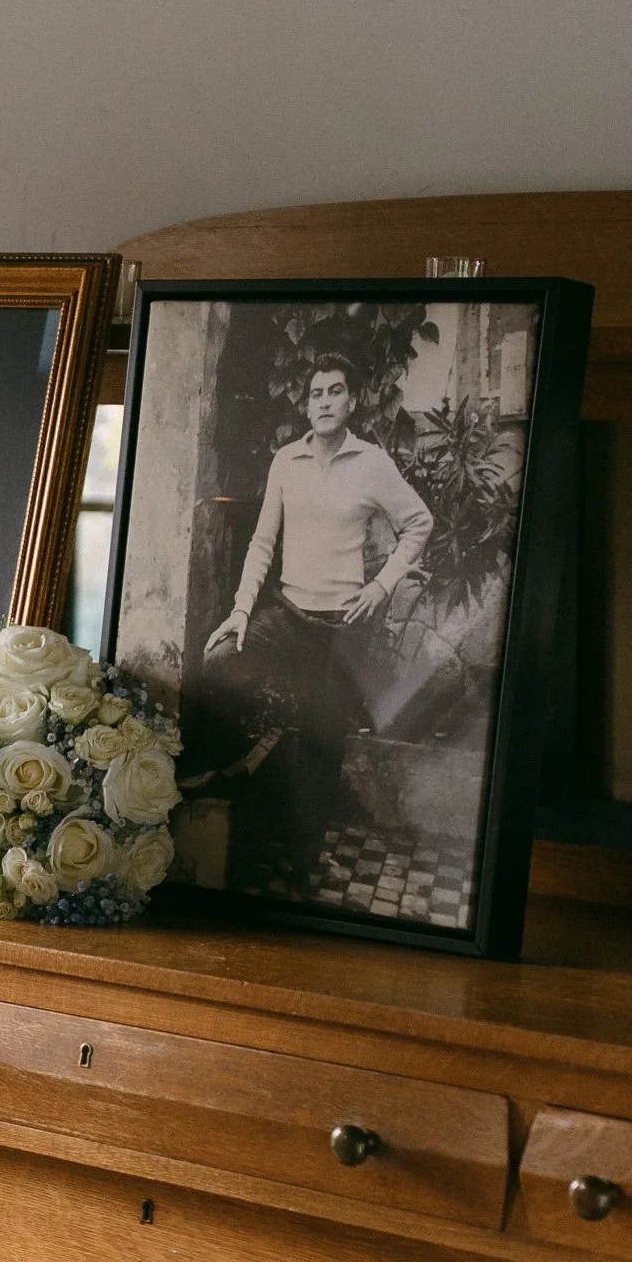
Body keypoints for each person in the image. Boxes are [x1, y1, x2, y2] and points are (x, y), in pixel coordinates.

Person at [201, 351, 433, 884]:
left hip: (342, 630)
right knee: (218, 665)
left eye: (335, 391)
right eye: (316, 393)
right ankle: (253, 774)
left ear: (352, 401)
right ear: (306, 405)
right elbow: (262, 542)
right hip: (285, 616)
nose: (324, 401)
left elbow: (419, 522)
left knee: (324, 747)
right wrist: (240, 611)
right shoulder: (287, 460)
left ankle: (304, 862)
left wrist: (381, 584)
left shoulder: (372, 462)